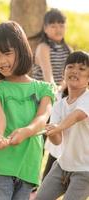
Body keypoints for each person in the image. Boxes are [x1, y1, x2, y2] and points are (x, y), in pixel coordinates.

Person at [0, 21, 55, 200]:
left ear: (21, 50)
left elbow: (43, 117)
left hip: (28, 167)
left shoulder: (44, 89)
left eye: (7, 53)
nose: (2, 61)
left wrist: (27, 131)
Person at [36, 51, 89, 200]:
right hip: (62, 165)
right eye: (70, 66)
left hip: (85, 171)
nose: (75, 71)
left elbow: (78, 115)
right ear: (63, 73)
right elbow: (57, 141)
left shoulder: (87, 98)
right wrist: (52, 131)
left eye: (82, 69)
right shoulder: (59, 104)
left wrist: (58, 126)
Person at [29, 8, 72, 182]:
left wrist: (63, 90)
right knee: (37, 144)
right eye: (53, 25)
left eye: (61, 24)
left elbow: (69, 78)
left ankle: (47, 181)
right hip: (41, 100)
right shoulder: (43, 47)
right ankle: (31, 181)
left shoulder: (68, 49)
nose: (58, 29)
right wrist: (59, 89)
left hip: (59, 99)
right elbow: (49, 78)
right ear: (45, 28)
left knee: (57, 143)